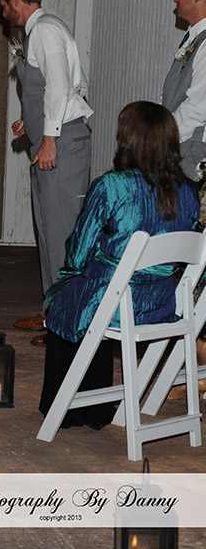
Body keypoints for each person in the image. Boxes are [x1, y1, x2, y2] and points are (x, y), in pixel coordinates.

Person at [39, 101, 200, 429]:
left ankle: (67, 411)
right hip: (160, 303)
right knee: (89, 295)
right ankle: (97, 410)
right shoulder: (188, 191)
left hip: (114, 303)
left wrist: (64, 284)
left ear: (127, 140)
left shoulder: (111, 186)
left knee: (69, 300)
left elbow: (78, 252)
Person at [0, 0, 92, 344]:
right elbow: (70, 85)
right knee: (49, 231)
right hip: (51, 139)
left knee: (63, 234)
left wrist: (50, 137)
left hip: (61, 144)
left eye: (3, 5)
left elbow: (62, 86)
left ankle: (67, 324)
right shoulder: (37, 32)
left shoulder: (46, 29)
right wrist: (32, 119)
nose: (3, 13)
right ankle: (53, 309)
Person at [162, 0, 206, 180]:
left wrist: (164, 137)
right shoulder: (194, 37)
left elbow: (198, 106)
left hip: (193, 147)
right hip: (181, 143)